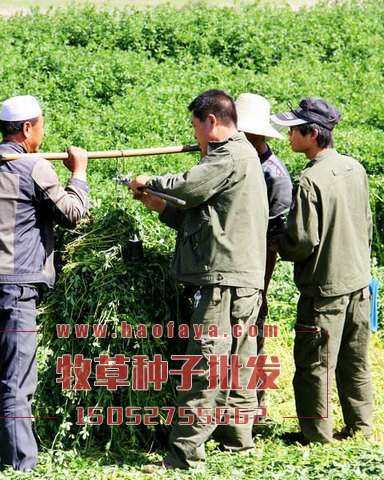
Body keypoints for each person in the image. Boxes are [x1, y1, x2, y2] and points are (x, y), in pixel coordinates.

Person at [0, 95, 90, 471]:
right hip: (15, 289)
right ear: (28, 128)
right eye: (41, 125)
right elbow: (73, 214)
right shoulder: (34, 167)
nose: (42, 133)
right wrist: (79, 172)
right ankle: (19, 463)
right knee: (16, 377)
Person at [130, 89, 268, 470]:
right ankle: (237, 438)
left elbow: (189, 187)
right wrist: (156, 203)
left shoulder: (229, 155)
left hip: (223, 281)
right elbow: (203, 216)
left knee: (205, 362)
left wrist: (149, 180)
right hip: (240, 277)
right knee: (239, 361)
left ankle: (184, 453)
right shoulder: (242, 158)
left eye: (196, 128)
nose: (195, 138)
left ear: (211, 121)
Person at [271, 97, 374, 444]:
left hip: (325, 289)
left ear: (312, 134)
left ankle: (316, 437)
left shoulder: (310, 180)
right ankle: (361, 427)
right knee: (354, 360)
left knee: (315, 366)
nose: (288, 136)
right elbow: (366, 224)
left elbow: (302, 241)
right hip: (359, 282)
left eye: (293, 131)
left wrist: (276, 243)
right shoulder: (354, 168)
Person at [234, 92, 293, 408]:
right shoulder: (232, 159)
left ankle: (254, 403)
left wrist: (261, 285)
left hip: (255, 263)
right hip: (233, 262)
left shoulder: (273, 175)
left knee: (252, 330)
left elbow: (273, 238)